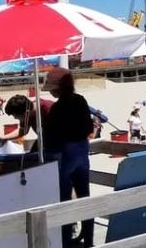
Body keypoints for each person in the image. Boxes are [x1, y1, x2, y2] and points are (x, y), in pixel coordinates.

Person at [41, 67, 95, 247]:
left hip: (65, 154)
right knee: (84, 196)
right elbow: (89, 128)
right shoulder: (80, 101)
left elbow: (50, 136)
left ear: (58, 88)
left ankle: (65, 240)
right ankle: (88, 238)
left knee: (63, 199)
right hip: (82, 151)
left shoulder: (57, 108)